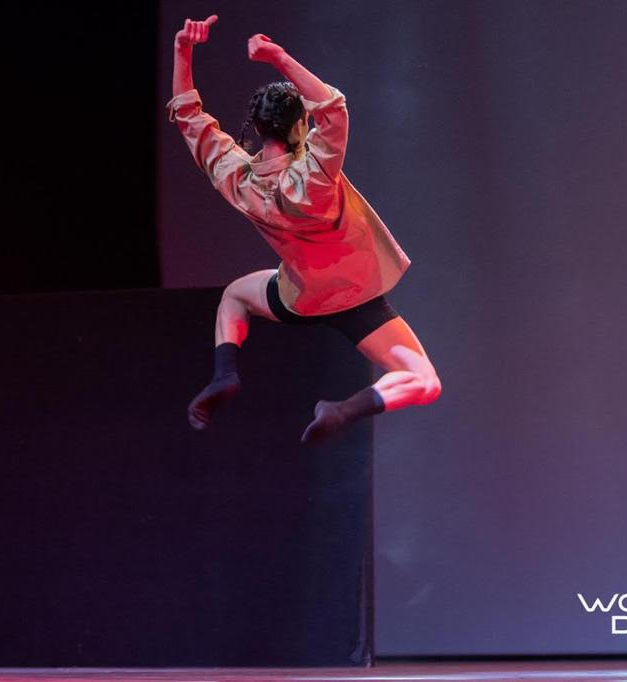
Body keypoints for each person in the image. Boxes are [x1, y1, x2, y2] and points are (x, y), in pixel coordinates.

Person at [167, 14, 441, 445]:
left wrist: (183, 50)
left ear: (256, 129)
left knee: (235, 295)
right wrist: (277, 56)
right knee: (423, 380)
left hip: (302, 296)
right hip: (356, 293)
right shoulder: (313, 177)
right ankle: (342, 410)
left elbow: (188, 117)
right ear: (300, 126)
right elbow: (332, 108)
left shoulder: (237, 178)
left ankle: (224, 374)